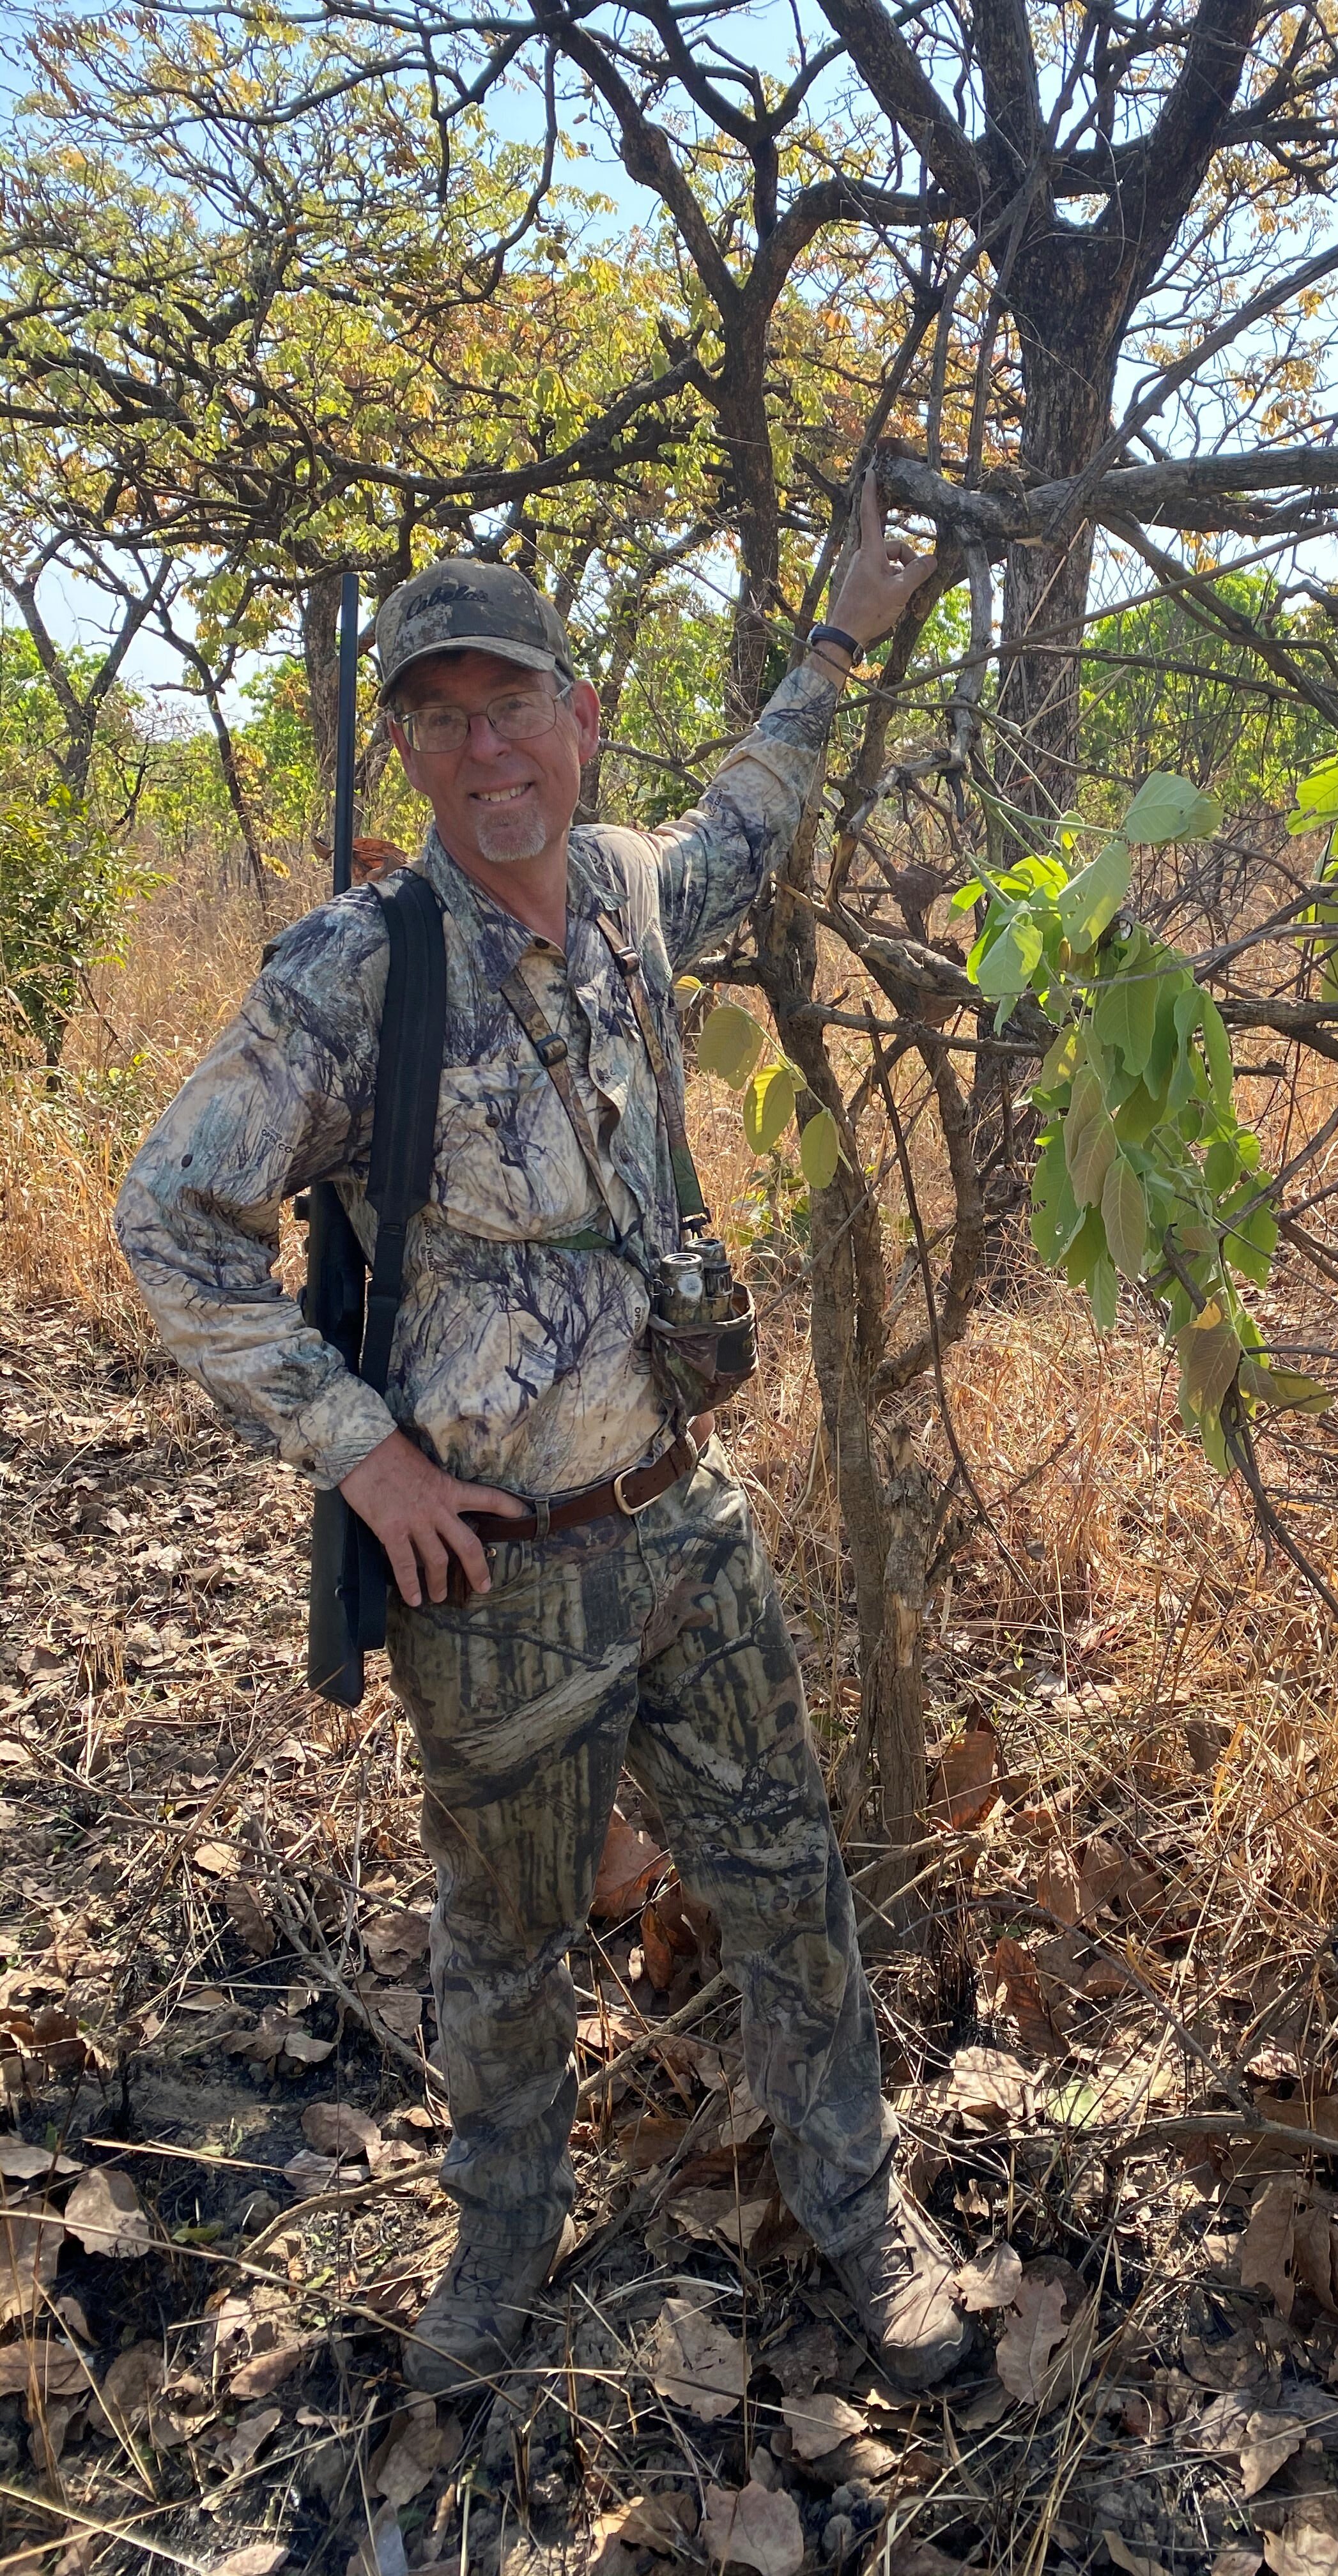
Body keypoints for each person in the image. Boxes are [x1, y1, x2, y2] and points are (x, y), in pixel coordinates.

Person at [114, 477, 971, 2396]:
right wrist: (362, 1452)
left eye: (517, 705)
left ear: (582, 722)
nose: (486, 746)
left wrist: (838, 635)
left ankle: (861, 2214)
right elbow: (169, 1223)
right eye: (443, 715)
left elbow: (755, 802)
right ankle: (498, 2255)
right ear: (410, 748)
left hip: (688, 1528)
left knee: (788, 1883)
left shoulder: (635, 895)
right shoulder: (356, 971)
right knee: (504, 1953)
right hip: (491, 1573)